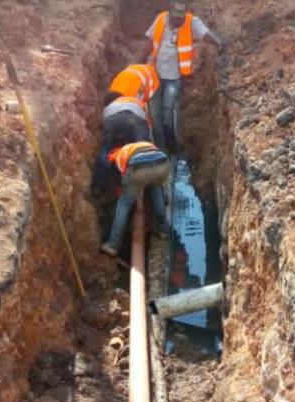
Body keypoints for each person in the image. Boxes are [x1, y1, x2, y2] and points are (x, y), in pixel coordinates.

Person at [144, 1, 224, 154]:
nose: (177, 21)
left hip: (174, 78)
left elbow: (205, 35)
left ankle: (173, 148)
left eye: (180, 18)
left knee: (168, 113)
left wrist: (219, 43)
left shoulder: (192, 22)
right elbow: (149, 43)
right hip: (155, 75)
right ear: (169, 12)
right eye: (175, 17)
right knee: (154, 114)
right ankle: (160, 149)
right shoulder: (160, 19)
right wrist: (139, 62)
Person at [99, 141, 170, 257]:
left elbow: (124, 180)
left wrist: (124, 192)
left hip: (139, 170)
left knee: (124, 202)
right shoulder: (137, 146)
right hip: (163, 164)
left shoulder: (118, 157)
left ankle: (113, 245)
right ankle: (162, 229)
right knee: (156, 189)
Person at [91, 94, 154, 200]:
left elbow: (103, 124)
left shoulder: (109, 106)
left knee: (106, 150)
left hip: (112, 120)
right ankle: (149, 184)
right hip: (134, 120)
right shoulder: (136, 101)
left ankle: (98, 186)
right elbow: (147, 122)